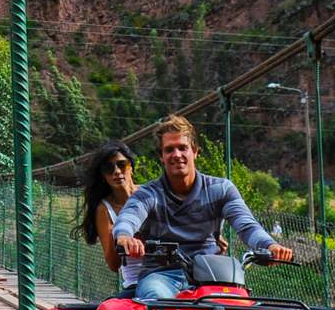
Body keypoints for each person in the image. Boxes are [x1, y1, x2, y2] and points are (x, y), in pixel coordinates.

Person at [113, 115, 293, 300]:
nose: (177, 155)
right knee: (157, 300)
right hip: (162, 275)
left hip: (212, 276)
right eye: (169, 150)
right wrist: (125, 236)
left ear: (195, 151)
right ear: (161, 156)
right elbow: (128, 217)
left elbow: (246, 225)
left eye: (183, 148)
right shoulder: (148, 194)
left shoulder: (221, 189)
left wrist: (270, 245)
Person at [73, 139, 137, 293]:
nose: (116, 171)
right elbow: (113, 265)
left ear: (132, 167)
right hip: (135, 283)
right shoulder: (104, 210)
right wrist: (120, 237)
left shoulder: (150, 196)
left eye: (122, 165)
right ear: (103, 176)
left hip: (166, 275)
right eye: (109, 168)